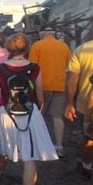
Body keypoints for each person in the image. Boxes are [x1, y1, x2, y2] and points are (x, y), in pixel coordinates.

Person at [0, 34, 58, 185]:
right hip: (29, 113)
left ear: (9, 48)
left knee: (6, 145)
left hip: (6, 114)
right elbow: (40, 96)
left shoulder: (0, 69)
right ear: (27, 49)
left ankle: (0, 167)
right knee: (30, 157)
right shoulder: (34, 68)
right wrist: (38, 108)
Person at [28, 25, 71, 157]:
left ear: (42, 34)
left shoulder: (37, 45)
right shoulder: (64, 46)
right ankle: (59, 146)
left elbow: (31, 67)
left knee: (38, 115)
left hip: (41, 86)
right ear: (54, 34)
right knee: (57, 117)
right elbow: (68, 66)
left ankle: (37, 144)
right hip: (60, 86)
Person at [65, 40, 93, 177]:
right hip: (87, 105)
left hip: (86, 106)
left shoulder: (82, 49)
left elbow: (72, 78)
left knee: (88, 138)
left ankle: (86, 166)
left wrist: (69, 103)